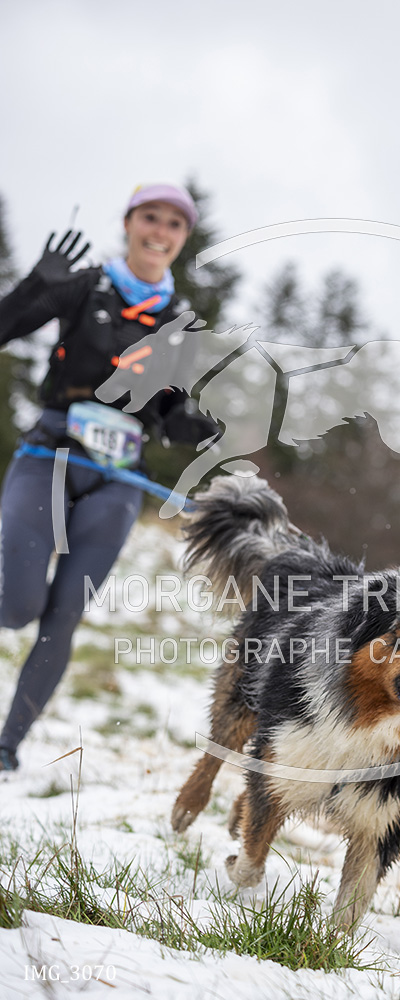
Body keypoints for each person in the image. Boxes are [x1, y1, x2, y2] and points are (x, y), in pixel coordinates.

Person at [0, 183, 214, 772]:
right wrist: (34, 285)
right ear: (129, 223)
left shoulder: (180, 323)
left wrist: (191, 423)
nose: (160, 231)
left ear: (183, 237)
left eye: (174, 223)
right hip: (50, 457)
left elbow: (169, 407)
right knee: (16, 608)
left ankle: (6, 747)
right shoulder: (85, 285)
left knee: (63, 616)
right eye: (151, 217)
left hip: (117, 480)